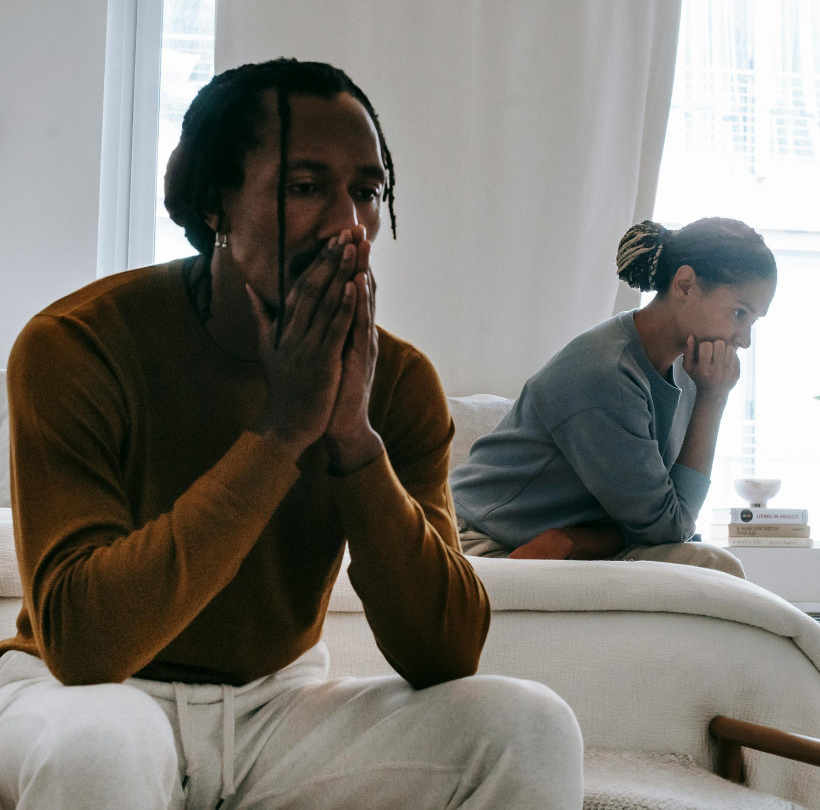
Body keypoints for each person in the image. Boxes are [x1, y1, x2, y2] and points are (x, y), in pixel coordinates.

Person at [0, 59, 584, 810]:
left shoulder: (398, 379)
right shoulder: (76, 344)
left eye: (367, 193)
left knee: (530, 726)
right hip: (77, 695)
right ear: (216, 202)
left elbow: (446, 651)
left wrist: (350, 436)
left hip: (277, 707)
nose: (349, 225)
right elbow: (86, 647)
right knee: (103, 746)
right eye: (305, 188)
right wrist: (282, 433)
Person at [451, 217, 777, 576]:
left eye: (753, 321)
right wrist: (713, 400)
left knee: (712, 564)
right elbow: (670, 527)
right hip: (485, 541)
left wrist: (576, 539)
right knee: (712, 564)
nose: (744, 339)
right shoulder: (606, 373)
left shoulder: (689, 366)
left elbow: (666, 523)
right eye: (739, 313)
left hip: (560, 542)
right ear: (685, 284)